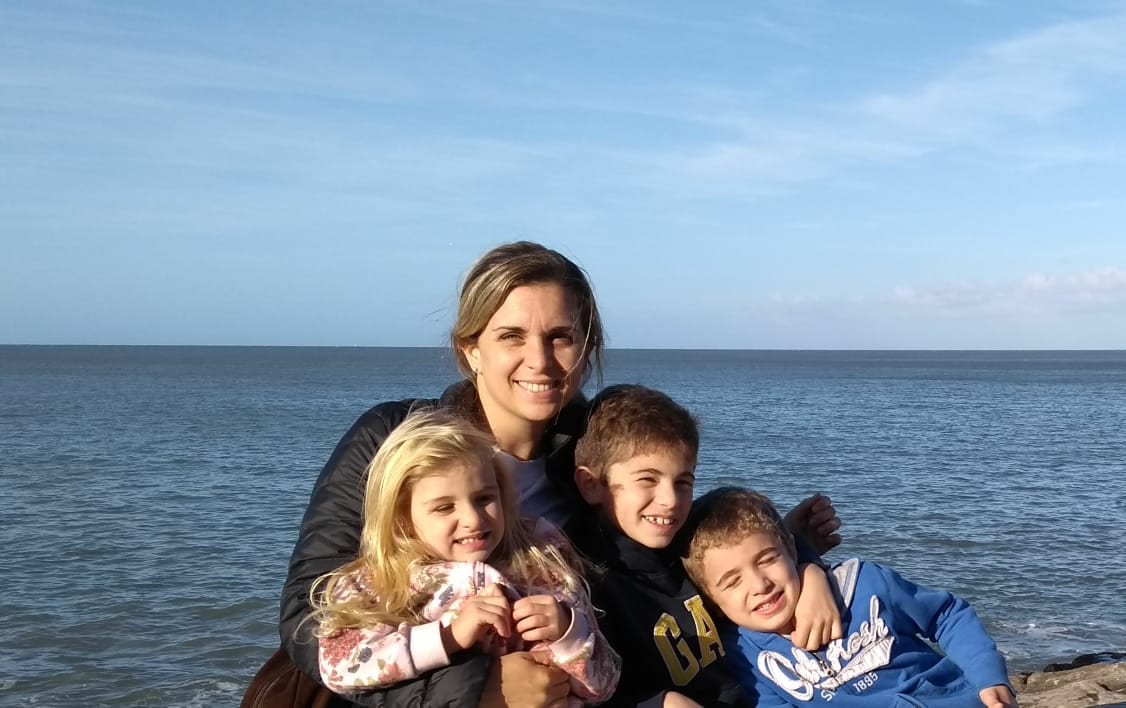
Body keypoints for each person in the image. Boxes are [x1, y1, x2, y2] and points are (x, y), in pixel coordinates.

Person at [244, 241, 841, 708]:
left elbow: (675, 532)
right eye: (512, 336)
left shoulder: (590, 450)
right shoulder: (398, 441)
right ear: (470, 348)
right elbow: (309, 618)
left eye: (561, 337)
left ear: (587, 347)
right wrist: (477, 692)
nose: (541, 360)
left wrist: (800, 558)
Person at [308, 410, 619, 703]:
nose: (473, 519)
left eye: (484, 499)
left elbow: (604, 686)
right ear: (402, 517)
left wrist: (568, 631)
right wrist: (449, 636)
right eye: (445, 507)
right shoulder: (380, 582)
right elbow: (339, 668)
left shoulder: (540, 556)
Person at [571, 385, 844, 708]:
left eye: (683, 482)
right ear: (591, 484)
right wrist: (662, 703)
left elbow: (745, 562)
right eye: (647, 479)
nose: (670, 500)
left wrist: (806, 566)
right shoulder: (590, 584)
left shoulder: (685, 542)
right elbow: (589, 692)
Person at [681, 487, 1017, 708]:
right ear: (712, 601)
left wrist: (988, 677)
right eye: (733, 581)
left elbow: (946, 616)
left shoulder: (863, 585)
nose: (759, 584)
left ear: (792, 550)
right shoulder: (746, 656)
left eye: (767, 560)